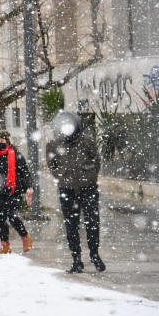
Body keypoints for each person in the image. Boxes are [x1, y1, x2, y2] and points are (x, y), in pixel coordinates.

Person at [46, 111, 104, 273]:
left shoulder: (86, 141)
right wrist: (61, 176)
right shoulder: (54, 144)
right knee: (71, 225)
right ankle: (76, 259)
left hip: (88, 188)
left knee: (92, 222)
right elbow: (52, 165)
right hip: (67, 190)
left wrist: (90, 175)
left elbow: (96, 160)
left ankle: (94, 254)